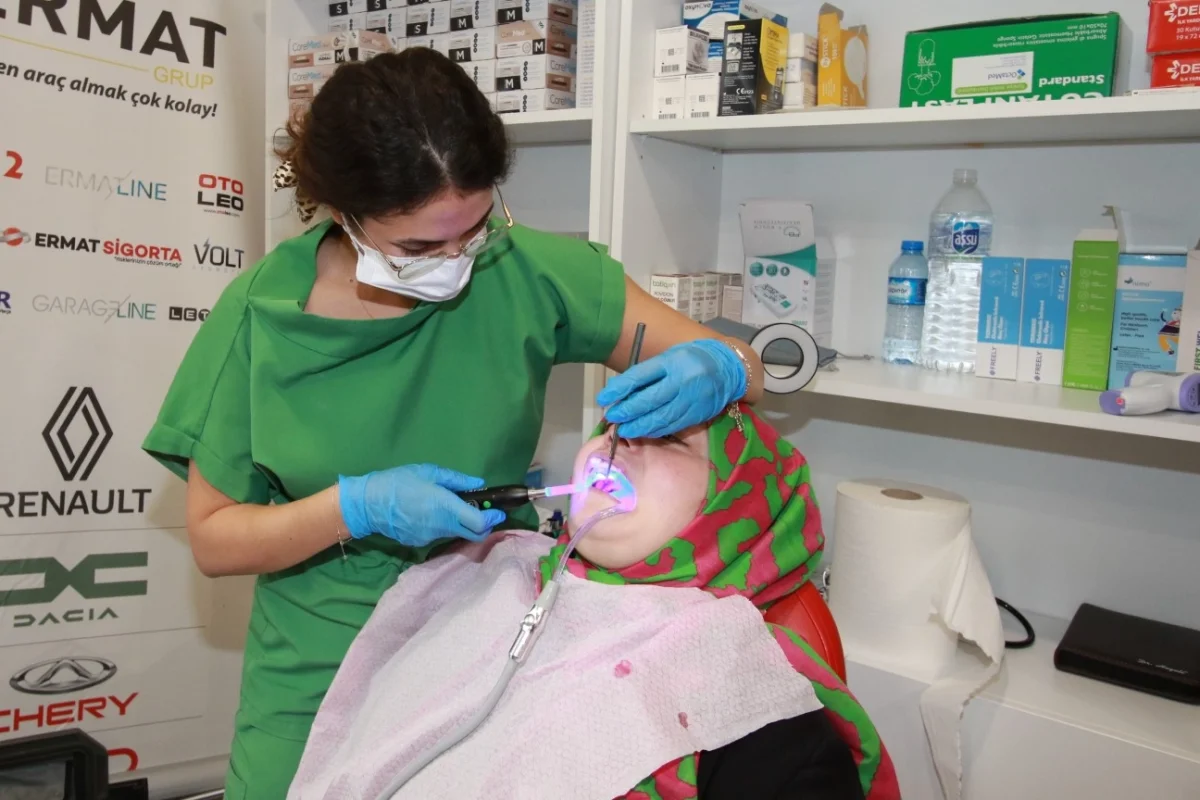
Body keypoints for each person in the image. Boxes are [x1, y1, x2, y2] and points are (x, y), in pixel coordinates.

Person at [141, 47, 765, 799]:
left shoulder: (528, 272)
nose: (456, 259)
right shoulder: (260, 317)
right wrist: (354, 508)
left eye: (475, 229)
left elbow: (744, 365)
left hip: (489, 650)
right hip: (318, 665)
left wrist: (722, 368)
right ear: (342, 212)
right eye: (419, 247)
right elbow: (214, 538)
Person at [286, 404, 900, 800]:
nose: (619, 443)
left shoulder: (760, 719)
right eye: (613, 426)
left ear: (739, 505)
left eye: (670, 439)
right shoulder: (489, 572)